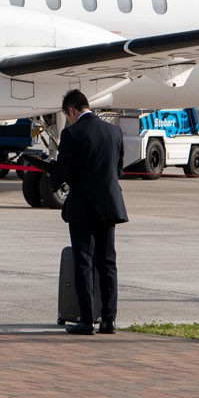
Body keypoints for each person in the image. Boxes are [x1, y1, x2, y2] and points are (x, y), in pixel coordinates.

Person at [53, 89, 128, 334]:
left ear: (72, 110)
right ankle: (109, 320)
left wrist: (52, 175)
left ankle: (86, 320)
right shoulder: (114, 131)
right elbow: (118, 170)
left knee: (83, 262)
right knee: (107, 263)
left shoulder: (72, 133)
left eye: (68, 115)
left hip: (83, 207)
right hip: (108, 204)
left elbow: (61, 172)